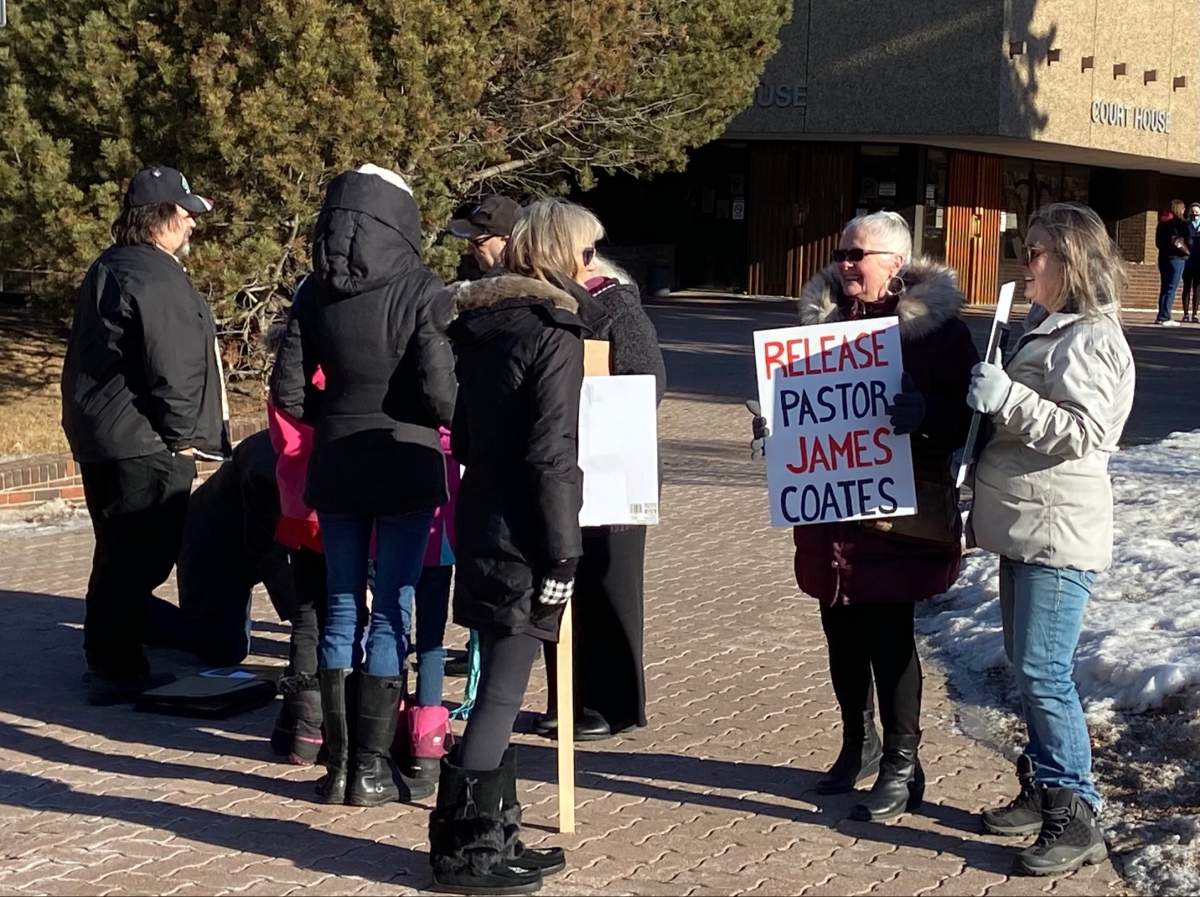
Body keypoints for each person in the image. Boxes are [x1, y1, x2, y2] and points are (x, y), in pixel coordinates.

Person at [749, 211, 978, 822]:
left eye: (859, 254)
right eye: (842, 252)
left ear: (895, 264)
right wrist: (776, 424)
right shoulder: (822, 324)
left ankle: (904, 765)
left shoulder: (939, 332)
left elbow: (972, 420)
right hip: (830, 513)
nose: (845, 263)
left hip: (895, 512)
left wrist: (924, 411)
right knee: (839, 628)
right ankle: (859, 743)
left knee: (888, 633)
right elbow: (806, 405)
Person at [269, 164, 456, 807]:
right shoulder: (422, 288)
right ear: (401, 219)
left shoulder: (312, 292)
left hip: (339, 462)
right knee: (392, 611)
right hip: (405, 459)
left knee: (342, 607)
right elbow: (440, 392)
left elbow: (289, 393)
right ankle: (373, 769)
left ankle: (340, 765)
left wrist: (338, 418)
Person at [428, 199, 600, 894]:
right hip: (526, 528)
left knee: (501, 677)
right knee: (501, 688)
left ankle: (494, 834)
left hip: (483, 511)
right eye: (588, 253)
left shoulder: (482, 326)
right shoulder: (553, 331)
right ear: (564, 254)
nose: (593, 267)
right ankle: (468, 852)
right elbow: (552, 452)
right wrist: (565, 551)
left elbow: (466, 435)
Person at [968, 202, 1135, 876]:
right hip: (1026, 524)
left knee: (1044, 671)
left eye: (1036, 251)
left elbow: (1086, 432)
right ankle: (1045, 789)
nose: (1023, 262)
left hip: (1059, 533)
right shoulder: (1049, 327)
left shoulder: (1092, 337)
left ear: (1072, 262)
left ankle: (1079, 812)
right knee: (1028, 664)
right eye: (1025, 247)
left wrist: (1007, 397)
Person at [61, 164, 229, 706]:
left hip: (107, 435)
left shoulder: (111, 267)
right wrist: (183, 436)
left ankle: (116, 650)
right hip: (144, 441)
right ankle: (115, 666)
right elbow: (173, 366)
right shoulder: (156, 277)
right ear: (161, 217)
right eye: (186, 215)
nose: (192, 227)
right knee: (139, 554)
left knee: (118, 551)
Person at [535, 253, 666, 742]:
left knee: (609, 586)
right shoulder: (550, 304)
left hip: (615, 474)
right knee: (563, 582)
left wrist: (591, 408)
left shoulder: (619, 308)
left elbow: (647, 382)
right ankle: (565, 696)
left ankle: (613, 705)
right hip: (563, 471)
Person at [449, 193, 522, 276]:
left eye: (478, 243)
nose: (470, 250)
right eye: (468, 242)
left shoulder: (530, 284)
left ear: (507, 242)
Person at [1154, 198, 1190, 326]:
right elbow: (1188, 239)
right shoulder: (1180, 223)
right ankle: (1165, 316)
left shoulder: (1162, 223)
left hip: (1163, 257)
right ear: (1180, 209)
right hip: (1177, 258)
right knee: (1171, 288)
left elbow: (1158, 243)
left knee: (1165, 287)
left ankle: (1161, 315)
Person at [1180, 202, 1200, 324]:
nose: (1195, 215)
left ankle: (1195, 313)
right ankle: (1186, 313)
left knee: (1197, 289)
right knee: (1186, 288)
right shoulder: (1185, 225)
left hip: (1199, 261)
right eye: (1193, 213)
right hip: (1187, 260)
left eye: (1197, 213)